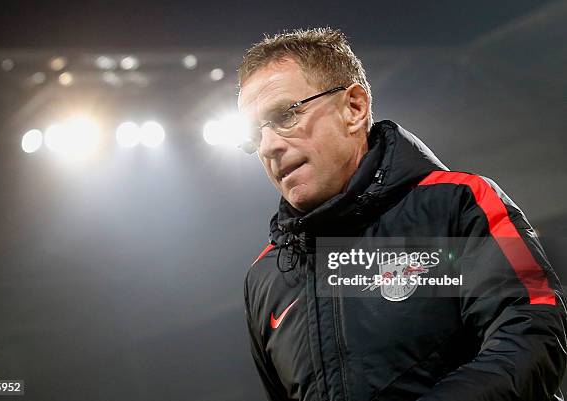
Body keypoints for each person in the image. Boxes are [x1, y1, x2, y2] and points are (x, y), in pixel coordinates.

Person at [238, 27, 566, 401]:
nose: (268, 147)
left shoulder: (460, 202)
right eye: (254, 135)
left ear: (354, 108)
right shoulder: (265, 278)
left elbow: (534, 336)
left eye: (285, 115)